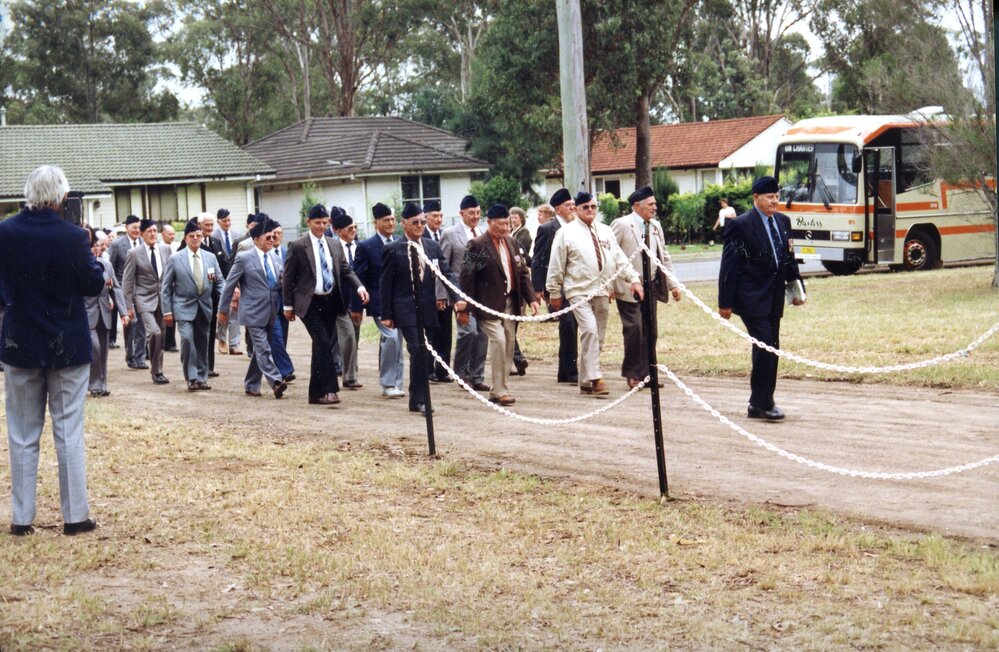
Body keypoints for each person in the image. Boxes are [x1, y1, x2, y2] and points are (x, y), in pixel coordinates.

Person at [0, 165, 105, 536]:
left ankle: (21, 518)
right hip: (66, 345)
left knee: (22, 434)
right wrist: (91, 251)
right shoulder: (73, 236)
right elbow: (93, 284)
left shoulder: (5, 231)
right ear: (61, 197)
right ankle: (76, 517)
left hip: (20, 343)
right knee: (68, 432)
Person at [718, 176, 805, 421]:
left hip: (774, 297)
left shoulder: (783, 221)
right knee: (766, 345)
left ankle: (758, 403)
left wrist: (797, 290)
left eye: (777, 196)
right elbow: (729, 266)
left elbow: (789, 259)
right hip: (750, 298)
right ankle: (764, 402)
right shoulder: (740, 225)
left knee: (770, 347)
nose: (774, 201)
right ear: (756, 198)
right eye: (769, 197)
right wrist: (725, 301)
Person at [546, 192, 643, 396]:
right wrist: (554, 292)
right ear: (576, 209)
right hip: (577, 291)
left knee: (597, 335)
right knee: (589, 330)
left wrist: (633, 279)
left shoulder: (606, 231)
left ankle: (585, 381)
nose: (590, 210)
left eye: (593, 207)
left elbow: (619, 258)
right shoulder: (566, 233)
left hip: (602, 290)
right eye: (585, 207)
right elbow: (556, 265)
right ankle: (596, 378)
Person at [379, 203, 462, 415]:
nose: (419, 226)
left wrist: (458, 297)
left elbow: (446, 274)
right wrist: (387, 315)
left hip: (427, 308)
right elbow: (385, 283)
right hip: (404, 309)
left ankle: (415, 399)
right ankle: (423, 399)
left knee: (425, 353)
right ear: (404, 223)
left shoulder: (432, 247)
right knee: (419, 348)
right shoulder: (393, 249)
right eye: (415, 222)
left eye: (422, 222)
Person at [283, 205, 368, 405]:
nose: (321, 226)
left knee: (321, 346)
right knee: (322, 342)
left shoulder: (334, 244)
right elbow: (288, 277)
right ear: (308, 222)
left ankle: (315, 393)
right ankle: (330, 389)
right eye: (317, 222)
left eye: (324, 223)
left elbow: (345, 270)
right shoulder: (297, 245)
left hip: (331, 301)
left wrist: (359, 287)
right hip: (309, 303)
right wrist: (287, 305)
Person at [459, 204, 538, 406]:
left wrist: (531, 299)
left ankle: (499, 389)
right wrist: (465, 308)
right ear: (490, 222)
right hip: (488, 306)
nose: (505, 228)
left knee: (509, 343)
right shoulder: (476, 245)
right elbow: (467, 278)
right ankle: (501, 390)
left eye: (508, 224)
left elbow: (522, 273)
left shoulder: (512, 243)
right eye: (501, 224)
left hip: (511, 303)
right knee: (499, 341)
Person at [611, 186, 681, 388]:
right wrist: (608, 285)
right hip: (628, 286)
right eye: (650, 204)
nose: (655, 207)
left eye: (655, 203)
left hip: (650, 285)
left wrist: (672, 284)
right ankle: (633, 374)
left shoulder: (656, 226)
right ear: (636, 206)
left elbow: (664, 256)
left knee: (651, 330)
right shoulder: (622, 224)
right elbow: (611, 254)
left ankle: (648, 373)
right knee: (634, 328)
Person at [219, 217, 288, 399]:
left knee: (260, 349)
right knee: (264, 348)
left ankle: (251, 384)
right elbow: (229, 285)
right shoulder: (243, 258)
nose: (272, 241)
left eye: (274, 237)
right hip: (252, 312)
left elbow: (281, 284)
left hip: (272, 310)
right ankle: (276, 381)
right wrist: (223, 310)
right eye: (268, 238)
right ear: (256, 239)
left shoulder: (275, 258)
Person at [162, 218, 223, 392]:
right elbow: (165, 287)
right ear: (186, 238)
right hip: (182, 306)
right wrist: (167, 310)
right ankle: (191, 377)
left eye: (198, 235)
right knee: (187, 340)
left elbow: (219, 282)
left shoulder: (210, 257)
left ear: (202, 237)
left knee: (203, 341)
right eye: (191, 236)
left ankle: (202, 377)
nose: (195, 238)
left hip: (204, 306)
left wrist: (225, 301)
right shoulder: (176, 258)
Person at [352, 202, 405, 398]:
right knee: (391, 338)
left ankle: (396, 382)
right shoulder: (366, 246)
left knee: (397, 341)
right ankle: (388, 383)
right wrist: (356, 306)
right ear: (377, 223)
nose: (391, 223)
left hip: (399, 302)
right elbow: (358, 278)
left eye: (392, 219)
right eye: (386, 220)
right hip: (379, 303)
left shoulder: (400, 242)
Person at [440, 194, 490, 391]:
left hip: (482, 294)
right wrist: (443, 295)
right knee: (468, 332)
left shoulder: (483, 232)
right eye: (471, 213)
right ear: (461, 213)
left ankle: (477, 376)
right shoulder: (450, 234)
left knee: (482, 334)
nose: (475, 216)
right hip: (460, 293)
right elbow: (443, 267)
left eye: (478, 212)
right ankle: (461, 374)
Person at [531, 188, 579, 384]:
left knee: (575, 324)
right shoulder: (547, 229)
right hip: (557, 286)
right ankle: (568, 370)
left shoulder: (577, 227)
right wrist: (538, 288)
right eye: (568, 206)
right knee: (567, 324)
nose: (572, 209)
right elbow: (538, 260)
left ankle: (567, 371)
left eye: (573, 205)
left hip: (576, 284)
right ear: (558, 209)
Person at [122, 218, 173, 385]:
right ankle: (156, 370)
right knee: (155, 332)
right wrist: (128, 306)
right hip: (143, 299)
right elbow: (127, 281)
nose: (152, 234)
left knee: (162, 335)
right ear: (142, 235)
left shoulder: (166, 249)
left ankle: (159, 370)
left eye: (154, 231)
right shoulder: (134, 253)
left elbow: (171, 276)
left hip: (162, 299)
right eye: (148, 232)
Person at [86, 229, 129, 397]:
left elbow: (116, 289)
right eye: (93, 246)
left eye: (99, 246)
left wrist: (124, 313)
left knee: (103, 351)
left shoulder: (106, 265)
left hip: (104, 312)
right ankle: (94, 384)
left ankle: (102, 384)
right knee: (94, 348)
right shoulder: (80, 266)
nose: (97, 249)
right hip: (86, 313)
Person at [108, 214, 147, 369]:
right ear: (126, 228)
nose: (137, 230)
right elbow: (109, 267)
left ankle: (140, 357)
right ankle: (130, 355)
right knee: (131, 323)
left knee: (142, 324)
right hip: (125, 290)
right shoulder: (117, 245)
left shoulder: (144, 243)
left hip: (142, 290)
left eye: (139, 228)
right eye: (134, 228)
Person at [331, 210, 364, 389]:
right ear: (338, 230)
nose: (354, 231)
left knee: (353, 337)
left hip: (357, 300)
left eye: (355, 227)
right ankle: (343, 371)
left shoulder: (361, 247)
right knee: (344, 337)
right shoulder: (332, 247)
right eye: (350, 228)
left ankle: (350, 374)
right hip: (337, 300)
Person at [421, 199, 452, 382]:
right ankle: (428, 369)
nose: (438, 219)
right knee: (430, 333)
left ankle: (443, 369)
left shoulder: (444, 235)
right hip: (427, 293)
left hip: (444, 292)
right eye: (434, 216)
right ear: (426, 217)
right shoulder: (421, 235)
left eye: (441, 216)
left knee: (445, 332)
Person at [198, 212, 226, 377]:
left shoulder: (216, 242)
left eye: (211, 225)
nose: (209, 228)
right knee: (201, 332)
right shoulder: (192, 241)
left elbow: (224, 265)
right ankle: (201, 366)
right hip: (199, 294)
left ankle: (209, 366)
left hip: (214, 295)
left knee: (210, 330)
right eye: (206, 225)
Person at [211, 208, 242, 355]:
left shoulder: (237, 236)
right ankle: (221, 338)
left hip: (236, 277)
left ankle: (234, 344)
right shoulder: (213, 237)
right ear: (218, 221)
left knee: (235, 310)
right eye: (224, 221)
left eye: (229, 220)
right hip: (221, 278)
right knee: (223, 309)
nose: (227, 223)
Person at [508, 206, 532, 376]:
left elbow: (522, 255)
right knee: (507, 328)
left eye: (515, 217)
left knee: (510, 327)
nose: (512, 219)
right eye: (511, 217)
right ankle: (516, 359)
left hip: (517, 283)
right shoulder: (511, 234)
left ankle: (515, 358)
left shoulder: (522, 234)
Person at [160, 224, 180, 352]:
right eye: (169, 234)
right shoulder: (159, 247)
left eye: (173, 234)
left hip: (175, 284)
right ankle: (163, 341)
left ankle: (171, 342)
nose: (172, 236)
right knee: (164, 314)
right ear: (163, 235)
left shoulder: (176, 246)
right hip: (163, 283)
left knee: (173, 313)